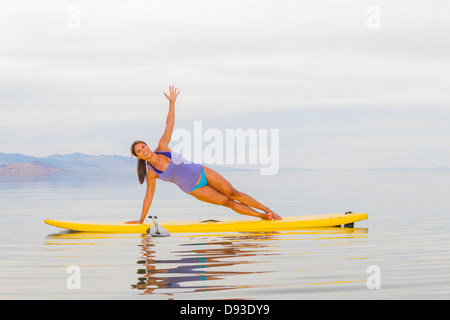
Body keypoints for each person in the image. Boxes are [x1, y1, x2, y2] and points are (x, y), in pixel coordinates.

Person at [126, 86, 282, 224]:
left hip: (202, 172)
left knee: (233, 193)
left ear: (146, 145)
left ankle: (268, 210)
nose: (143, 150)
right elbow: (148, 197)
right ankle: (262, 217)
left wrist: (171, 103)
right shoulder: (152, 173)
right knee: (228, 202)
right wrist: (141, 220)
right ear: (138, 157)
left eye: (143, 146)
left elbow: (170, 124)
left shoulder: (162, 146)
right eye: (139, 151)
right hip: (194, 188)